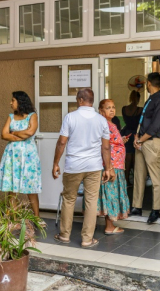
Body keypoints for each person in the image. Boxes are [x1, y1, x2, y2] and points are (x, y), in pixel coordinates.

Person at [52, 88, 115, 248]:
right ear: (92, 101)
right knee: (91, 201)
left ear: (80, 100)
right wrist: (107, 168)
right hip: (94, 166)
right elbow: (106, 148)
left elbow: (61, 142)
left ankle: (64, 235)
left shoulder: (70, 117)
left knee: (69, 199)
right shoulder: (101, 120)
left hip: (74, 166)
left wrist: (56, 163)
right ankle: (87, 239)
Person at [0, 91, 43, 218]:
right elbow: (3, 134)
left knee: (30, 188)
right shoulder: (11, 116)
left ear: (20, 102)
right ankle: (13, 219)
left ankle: (36, 218)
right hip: (12, 156)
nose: (10, 103)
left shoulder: (32, 116)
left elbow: (30, 132)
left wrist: (14, 133)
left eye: (13, 100)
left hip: (28, 157)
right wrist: (21, 135)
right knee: (12, 188)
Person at [131, 72, 160, 224]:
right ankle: (137, 206)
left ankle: (156, 209)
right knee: (138, 175)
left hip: (152, 142)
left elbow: (155, 126)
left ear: (148, 83)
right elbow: (143, 121)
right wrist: (136, 137)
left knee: (155, 177)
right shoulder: (151, 99)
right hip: (141, 141)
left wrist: (140, 139)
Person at [97, 99, 130, 234]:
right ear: (101, 111)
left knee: (112, 192)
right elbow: (104, 145)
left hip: (115, 164)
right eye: (108, 108)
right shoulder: (104, 124)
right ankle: (109, 226)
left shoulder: (111, 124)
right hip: (111, 165)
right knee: (111, 193)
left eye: (113, 107)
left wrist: (121, 141)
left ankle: (110, 224)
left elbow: (112, 142)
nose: (111, 110)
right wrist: (109, 168)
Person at [122, 91, 142, 186]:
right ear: (138, 99)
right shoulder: (140, 110)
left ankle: (126, 179)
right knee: (135, 158)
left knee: (128, 158)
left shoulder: (124, 109)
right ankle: (136, 181)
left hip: (127, 134)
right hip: (135, 134)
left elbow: (126, 121)